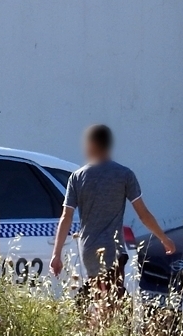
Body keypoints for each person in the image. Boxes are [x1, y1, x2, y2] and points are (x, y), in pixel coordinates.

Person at [50, 124, 175, 303]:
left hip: (88, 250)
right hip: (112, 249)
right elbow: (143, 214)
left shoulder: (77, 177)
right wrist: (163, 238)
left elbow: (66, 217)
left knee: (99, 298)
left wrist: (56, 254)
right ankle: (106, 329)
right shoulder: (124, 174)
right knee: (111, 303)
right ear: (108, 145)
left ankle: (98, 328)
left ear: (91, 145)